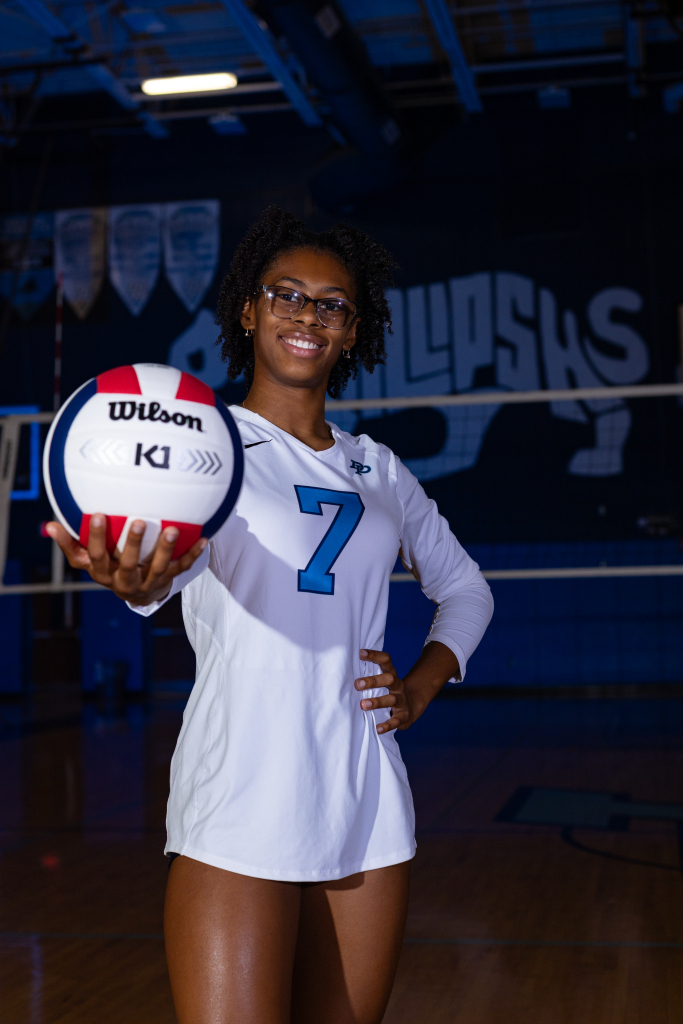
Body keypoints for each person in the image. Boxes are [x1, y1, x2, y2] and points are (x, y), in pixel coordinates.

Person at [47, 206, 493, 1024]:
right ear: (248, 310)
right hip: (239, 795)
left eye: (331, 304)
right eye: (286, 294)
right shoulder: (202, 450)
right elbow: (157, 579)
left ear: (352, 331)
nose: (307, 315)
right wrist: (132, 579)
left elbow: (466, 589)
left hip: (364, 798)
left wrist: (420, 687)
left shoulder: (378, 469)